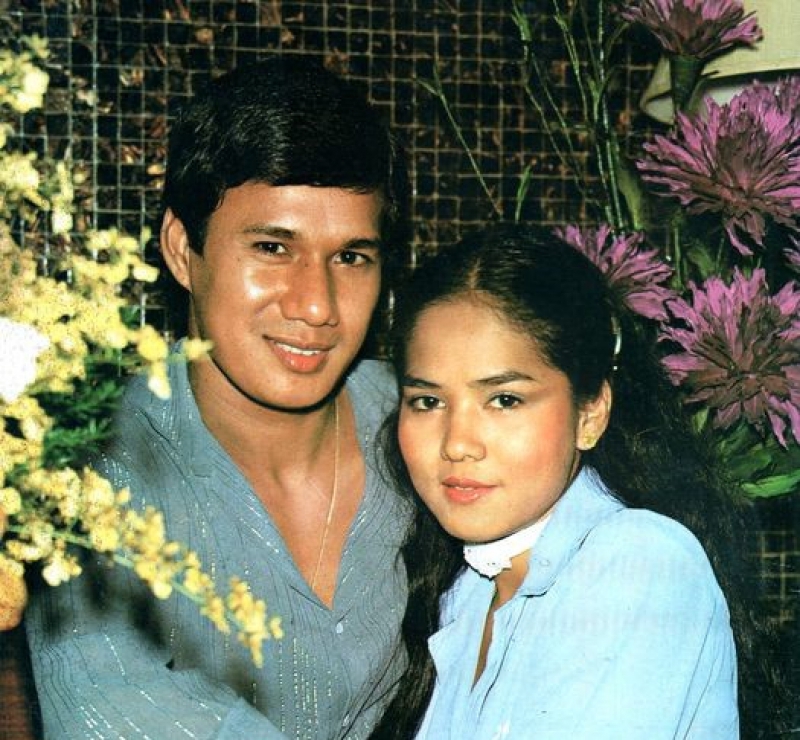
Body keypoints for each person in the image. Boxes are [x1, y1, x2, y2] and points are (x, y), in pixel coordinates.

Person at [25, 56, 412, 739]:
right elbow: (111, 716)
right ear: (182, 249)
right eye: (272, 248)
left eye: (351, 257)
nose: (317, 305)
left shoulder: (425, 422)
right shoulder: (95, 469)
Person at [370, 224, 789, 739]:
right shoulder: (469, 593)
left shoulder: (637, 562)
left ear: (590, 414)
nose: (457, 443)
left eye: (504, 400)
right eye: (428, 401)